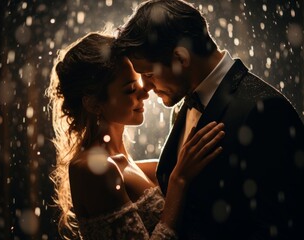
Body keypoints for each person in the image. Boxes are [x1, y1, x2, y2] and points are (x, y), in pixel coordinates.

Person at [113, 0, 304, 239]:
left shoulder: (265, 110)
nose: (147, 88)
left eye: (149, 74)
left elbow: (282, 226)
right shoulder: (185, 102)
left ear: (180, 58)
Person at [47, 32, 225, 239]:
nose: (144, 93)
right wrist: (179, 181)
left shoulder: (130, 164)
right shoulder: (93, 169)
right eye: (130, 89)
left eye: (139, 82)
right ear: (94, 103)